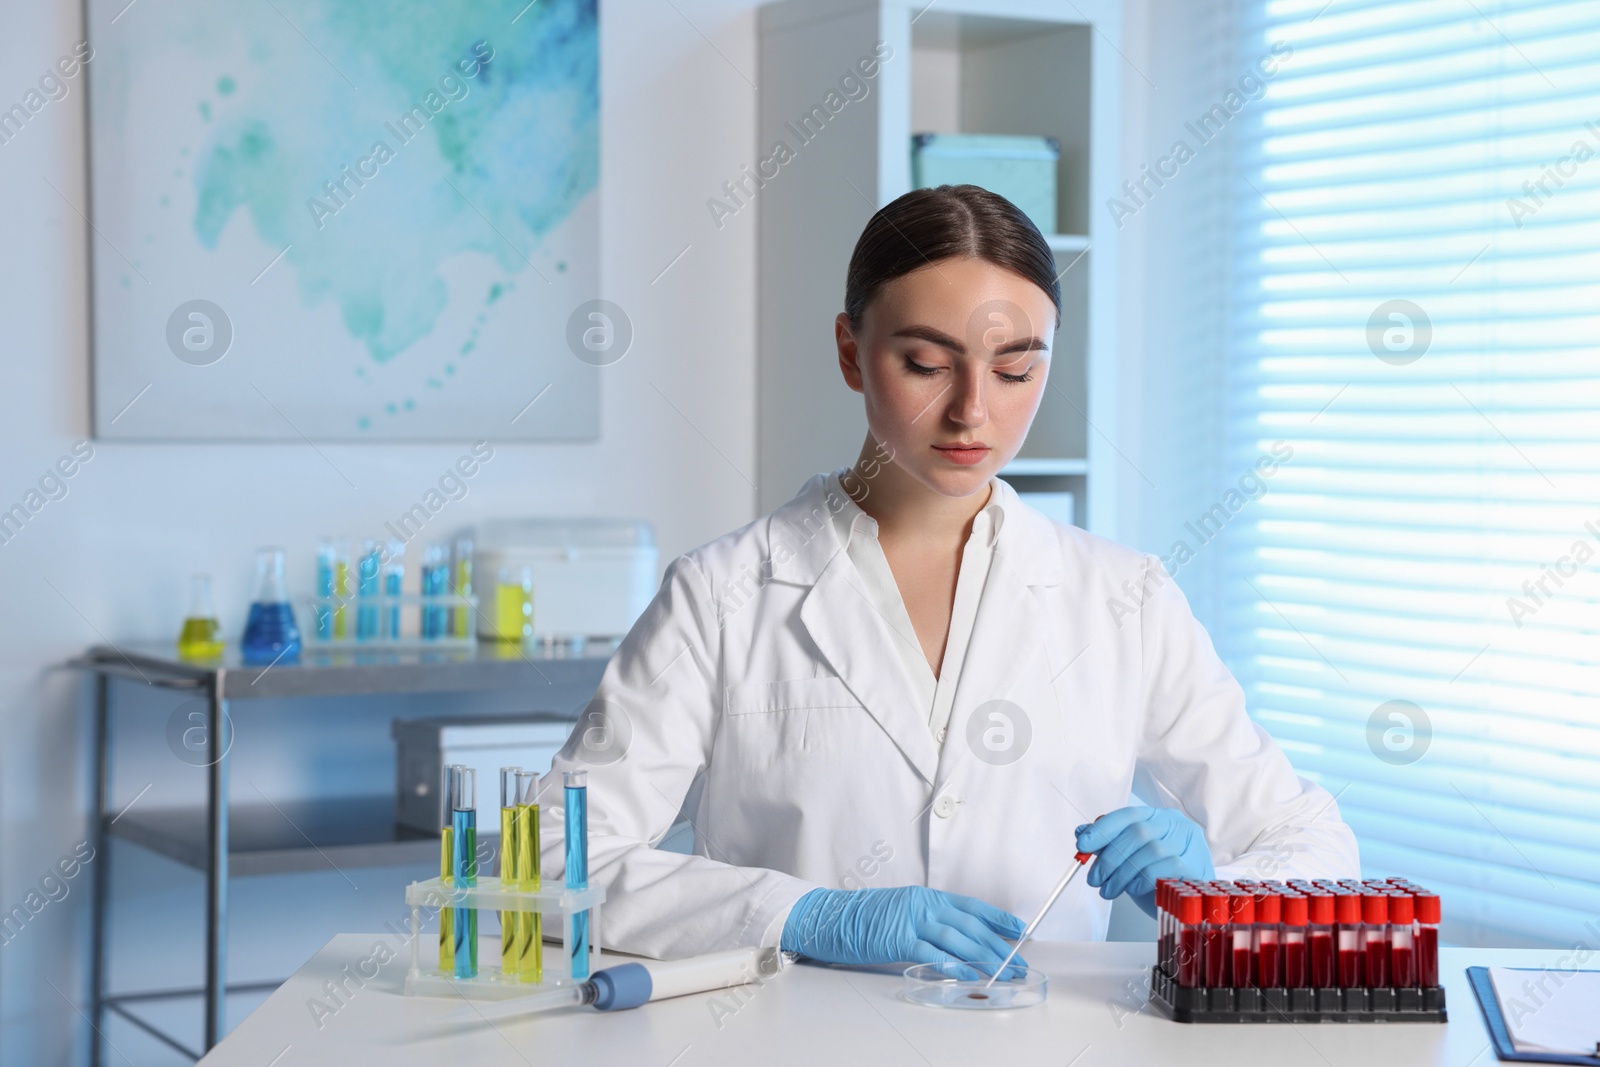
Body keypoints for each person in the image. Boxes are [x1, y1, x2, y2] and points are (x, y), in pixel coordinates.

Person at [539, 184, 1357, 969]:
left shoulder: (1122, 599)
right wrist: (801, 916)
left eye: (1014, 370)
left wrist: (1210, 885)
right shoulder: (721, 595)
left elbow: (1313, 845)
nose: (973, 410)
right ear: (851, 353)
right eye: (928, 363)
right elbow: (548, 860)